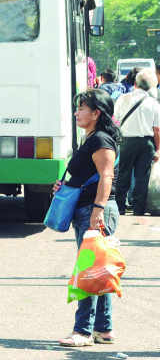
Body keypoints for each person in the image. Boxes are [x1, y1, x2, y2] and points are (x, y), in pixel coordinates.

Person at [56, 89, 121, 347]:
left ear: (96, 113)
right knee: (98, 271)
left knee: (87, 272)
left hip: (94, 212)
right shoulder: (92, 137)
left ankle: (82, 332)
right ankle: (103, 329)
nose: (76, 112)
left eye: (81, 108)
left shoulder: (101, 139)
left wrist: (97, 210)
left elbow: (107, 176)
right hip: (88, 209)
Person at [113, 68, 160, 215]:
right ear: (151, 87)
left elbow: (117, 118)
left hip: (127, 142)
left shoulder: (123, 98)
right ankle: (138, 209)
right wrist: (158, 149)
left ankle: (119, 207)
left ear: (135, 83)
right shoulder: (153, 103)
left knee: (123, 174)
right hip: (147, 144)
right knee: (142, 177)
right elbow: (157, 130)